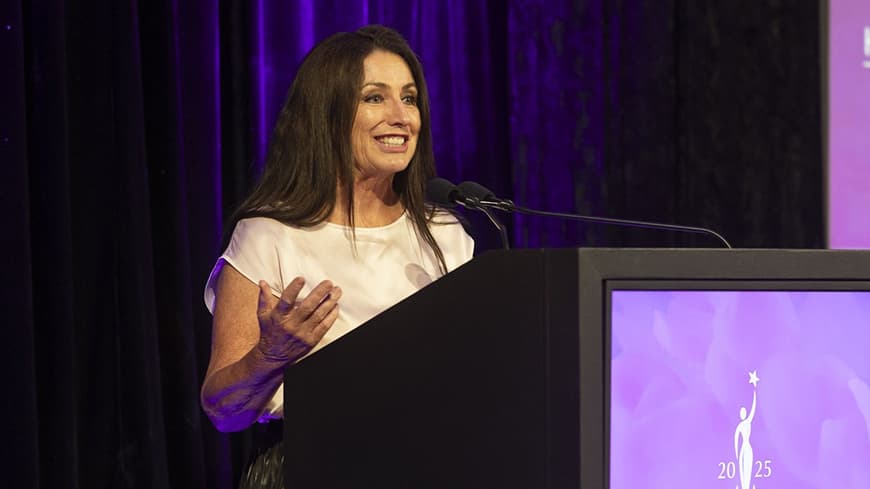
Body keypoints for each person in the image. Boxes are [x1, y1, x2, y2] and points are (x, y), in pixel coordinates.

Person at [200, 25, 474, 487]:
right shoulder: (269, 236)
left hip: (429, 462)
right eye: (374, 98)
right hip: (310, 464)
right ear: (327, 114)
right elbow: (223, 411)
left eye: (409, 99)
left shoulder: (446, 235)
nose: (401, 116)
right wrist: (272, 355)